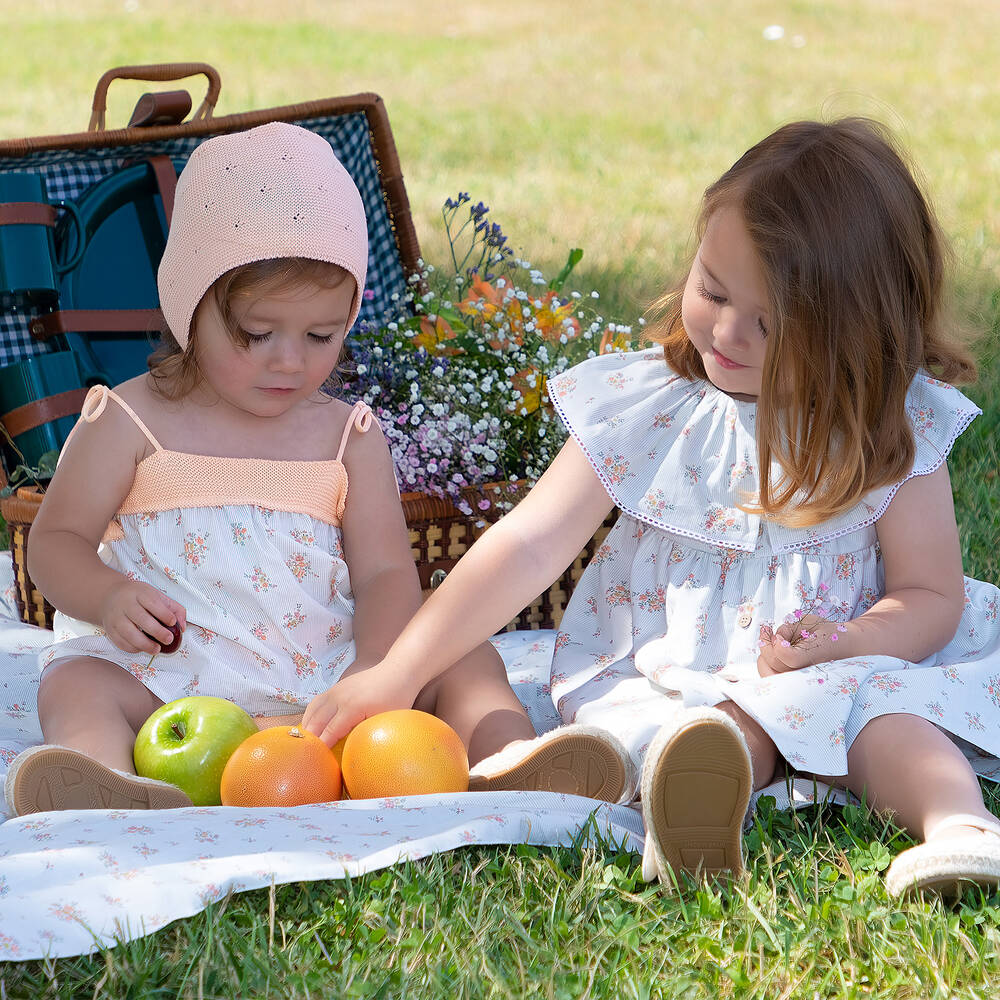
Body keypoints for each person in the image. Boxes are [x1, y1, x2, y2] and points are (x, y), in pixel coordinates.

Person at [304, 118, 1000, 897]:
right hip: (676, 678)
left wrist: (848, 641)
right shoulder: (647, 406)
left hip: (836, 671)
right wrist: (397, 673)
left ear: (856, 333)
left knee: (886, 718)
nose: (726, 332)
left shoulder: (889, 428)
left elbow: (930, 596)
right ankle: (680, 804)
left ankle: (961, 826)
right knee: (679, 737)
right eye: (714, 290)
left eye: (769, 324)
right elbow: (529, 544)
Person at [3, 122, 629, 817]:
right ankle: (108, 784)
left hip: (329, 692)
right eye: (257, 334)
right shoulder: (126, 420)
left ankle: (506, 762)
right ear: (189, 306)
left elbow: (385, 574)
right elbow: (55, 542)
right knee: (76, 682)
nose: (289, 361)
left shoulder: (346, 436)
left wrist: (376, 670)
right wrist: (107, 596)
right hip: (169, 686)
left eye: (321, 335)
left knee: (467, 657)